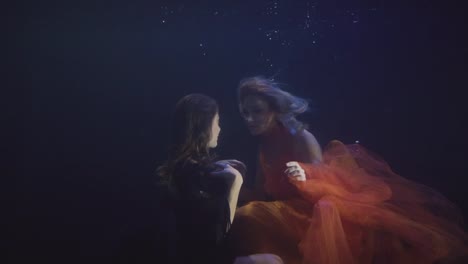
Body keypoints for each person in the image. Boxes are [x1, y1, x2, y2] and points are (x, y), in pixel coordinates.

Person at [227, 76, 468, 264]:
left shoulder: (300, 138)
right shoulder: (263, 147)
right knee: (247, 216)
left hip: (314, 215)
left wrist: (305, 178)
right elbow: (261, 195)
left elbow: (330, 186)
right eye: (245, 113)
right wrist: (236, 175)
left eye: (257, 111)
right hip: (285, 214)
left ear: (275, 110)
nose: (249, 119)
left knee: (251, 216)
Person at [157, 93, 283, 264]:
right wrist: (235, 184)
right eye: (216, 122)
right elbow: (218, 238)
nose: (219, 129)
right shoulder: (192, 174)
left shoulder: (182, 166)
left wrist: (213, 167)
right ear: (203, 127)